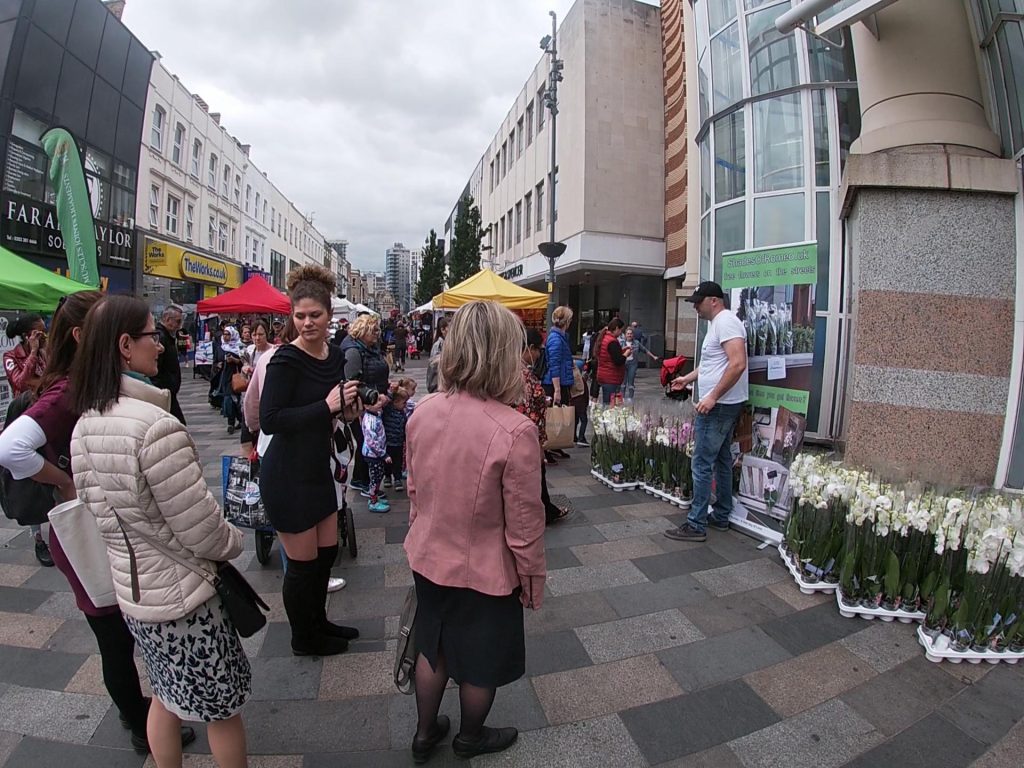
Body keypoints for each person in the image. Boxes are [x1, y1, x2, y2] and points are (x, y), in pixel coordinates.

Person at [0, 291, 198, 758]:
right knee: (112, 633)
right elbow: (10, 448)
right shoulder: (68, 389)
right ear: (82, 335)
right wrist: (64, 481)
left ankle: (147, 715)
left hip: (106, 526)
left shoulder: (86, 381)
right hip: (89, 532)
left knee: (120, 628)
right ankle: (138, 720)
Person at [69, 295, 249, 768]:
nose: (163, 346)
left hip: (134, 592)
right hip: (185, 596)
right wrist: (233, 540)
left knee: (165, 697)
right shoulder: (154, 426)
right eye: (154, 335)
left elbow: (95, 507)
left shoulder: (85, 423)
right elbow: (200, 526)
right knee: (222, 710)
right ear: (126, 346)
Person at [404, 300, 546, 763]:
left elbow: (414, 489)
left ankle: (425, 734)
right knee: (479, 659)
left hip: (428, 555)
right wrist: (531, 578)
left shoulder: (421, 412)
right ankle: (470, 736)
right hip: (486, 568)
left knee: (433, 646)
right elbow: (525, 524)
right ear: (504, 355)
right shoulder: (515, 430)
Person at [259, 265, 363, 656]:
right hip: (288, 476)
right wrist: (325, 406)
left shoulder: (335, 355)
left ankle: (319, 623)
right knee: (302, 568)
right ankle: (303, 638)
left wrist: (346, 412)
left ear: (329, 315)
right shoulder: (284, 360)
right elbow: (270, 420)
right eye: (299, 316)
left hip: (319, 470)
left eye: (314, 315)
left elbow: (334, 408)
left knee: (325, 557)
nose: (306, 323)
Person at [665, 281, 749, 542]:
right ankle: (721, 515)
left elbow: (737, 364)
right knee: (722, 459)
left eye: (698, 302)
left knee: (701, 462)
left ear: (714, 300)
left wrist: (712, 396)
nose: (695, 308)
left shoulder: (726, 322)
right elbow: (713, 364)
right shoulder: (718, 324)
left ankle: (696, 523)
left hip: (719, 407)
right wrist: (687, 379)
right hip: (721, 405)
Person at [3, 312, 53, 566]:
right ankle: (38, 539)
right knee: (30, 478)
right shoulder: (11, 356)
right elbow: (20, 383)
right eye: (39, 332)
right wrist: (33, 352)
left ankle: (59, 529)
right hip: (25, 418)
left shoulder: (47, 352)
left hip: (48, 414)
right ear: (27, 335)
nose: (42, 336)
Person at [518, 329, 571, 524]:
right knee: (534, 474)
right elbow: (528, 409)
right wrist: (538, 442)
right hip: (526, 434)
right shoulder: (522, 374)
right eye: (538, 350)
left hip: (522, 432)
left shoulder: (513, 371)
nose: (540, 354)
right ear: (529, 349)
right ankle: (542, 511)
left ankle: (545, 508)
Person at [340, 314, 390, 492]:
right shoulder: (353, 352)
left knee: (370, 441)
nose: (377, 333)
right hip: (362, 407)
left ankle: (364, 479)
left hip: (374, 402)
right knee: (366, 442)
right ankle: (363, 481)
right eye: (374, 330)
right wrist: (369, 401)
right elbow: (351, 382)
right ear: (363, 331)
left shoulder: (370, 348)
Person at [152, 306, 186, 425]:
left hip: (169, 391)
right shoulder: (161, 337)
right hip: (164, 391)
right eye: (177, 321)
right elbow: (155, 367)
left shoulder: (168, 336)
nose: (179, 325)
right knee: (178, 425)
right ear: (167, 319)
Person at [360, 406, 390, 513]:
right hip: (373, 455)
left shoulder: (375, 414)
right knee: (375, 478)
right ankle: (373, 502)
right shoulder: (370, 420)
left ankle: (375, 497)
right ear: (367, 406)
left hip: (376, 454)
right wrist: (383, 454)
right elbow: (371, 441)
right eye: (376, 401)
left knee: (378, 475)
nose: (379, 403)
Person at [595, 318, 631, 404]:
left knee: (608, 402)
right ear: (617, 328)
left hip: (605, 375)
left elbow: (611, 355)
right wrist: (626, 354)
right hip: (611, 376)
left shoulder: (605, 338)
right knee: (609, 405)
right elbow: (618, 361)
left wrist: (621, 351)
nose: (621, 333)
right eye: (621, 331)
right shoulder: (612, 341)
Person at [382, 386, 410, 492]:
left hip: (398, 443)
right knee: (387, 462)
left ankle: (397, 478)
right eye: (403, 403)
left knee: (398, 462)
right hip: (388, 442)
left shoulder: (402, 413)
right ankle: (387, 476)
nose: (405, 405)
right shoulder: (388, 410)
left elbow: (405, 426)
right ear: (395, 402)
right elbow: (387, 399)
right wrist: (392, 392)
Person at [216, 326, 244, 435]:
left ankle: (238, 420)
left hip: (236, 376)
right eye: (224, 334)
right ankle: (231, 422)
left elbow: (243, 361)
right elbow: (216, 359)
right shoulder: (221, 346)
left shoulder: (239, 346)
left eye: (228, 334)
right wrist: (218, 364)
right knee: (229, 399)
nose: (226, 336)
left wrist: (234, 360)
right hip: (225, 377)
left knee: (234, 399)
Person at [621, 327, 659, 403]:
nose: (629, 335)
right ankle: (622, 397)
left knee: (631, 381)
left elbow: (645, 350)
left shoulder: (636, 343)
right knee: (623, 382)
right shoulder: (621, 343)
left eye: (631, 334)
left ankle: (630, 398)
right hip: (623, 364)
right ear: (625, 335)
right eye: (628, 334)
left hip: (632, 364)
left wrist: (653, 356)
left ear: (633, 335)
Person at [426, 317, 449, 394]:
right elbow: (434, 367)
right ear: (443, 330)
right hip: (439, 388)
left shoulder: (449, 344)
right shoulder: (438, 345)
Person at [572, 358, 590, 447]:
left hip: (573, 401)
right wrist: (586, 403)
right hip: (581, 402)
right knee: (584, 420)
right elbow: (585, 392)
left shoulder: (571, 376)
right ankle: (581, 437)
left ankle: (574, 437)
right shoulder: (580, 380)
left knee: (575, 420)